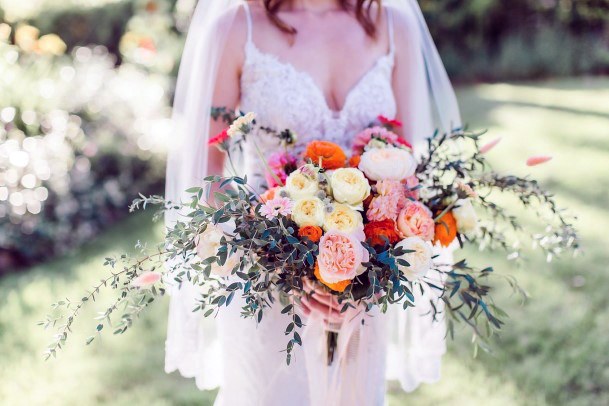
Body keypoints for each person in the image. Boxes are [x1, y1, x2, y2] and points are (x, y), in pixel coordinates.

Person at [164, 0, 461, 404]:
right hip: (267, 280)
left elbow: (408, 166)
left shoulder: (394, 25)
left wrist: (373, 274)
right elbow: (208, 172)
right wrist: (282, 263)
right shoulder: (237, 27)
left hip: (367, 285)